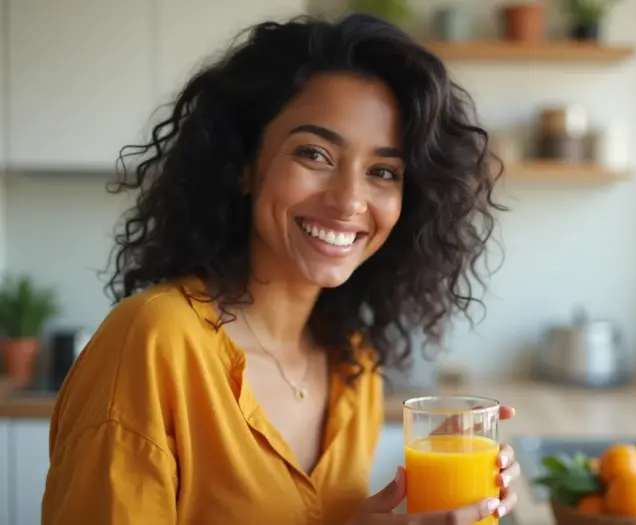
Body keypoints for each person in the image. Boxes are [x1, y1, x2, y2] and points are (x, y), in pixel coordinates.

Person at [41, 12, 518, 525]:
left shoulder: (354, 367)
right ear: (245, 163)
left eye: (383, 171)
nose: (348, 201)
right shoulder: (153, 342)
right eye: (315, 154)